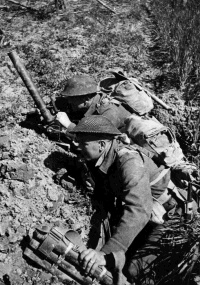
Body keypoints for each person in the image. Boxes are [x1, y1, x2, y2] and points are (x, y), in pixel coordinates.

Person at [69, 115, 196, 284]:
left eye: (83, 143)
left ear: (101, 145)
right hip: (153, 213)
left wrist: (105, 254)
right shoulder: (106, 156)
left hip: (174, 218)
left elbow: (140, 210)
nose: (77, 146)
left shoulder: (130, 162)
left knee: (135, 270)